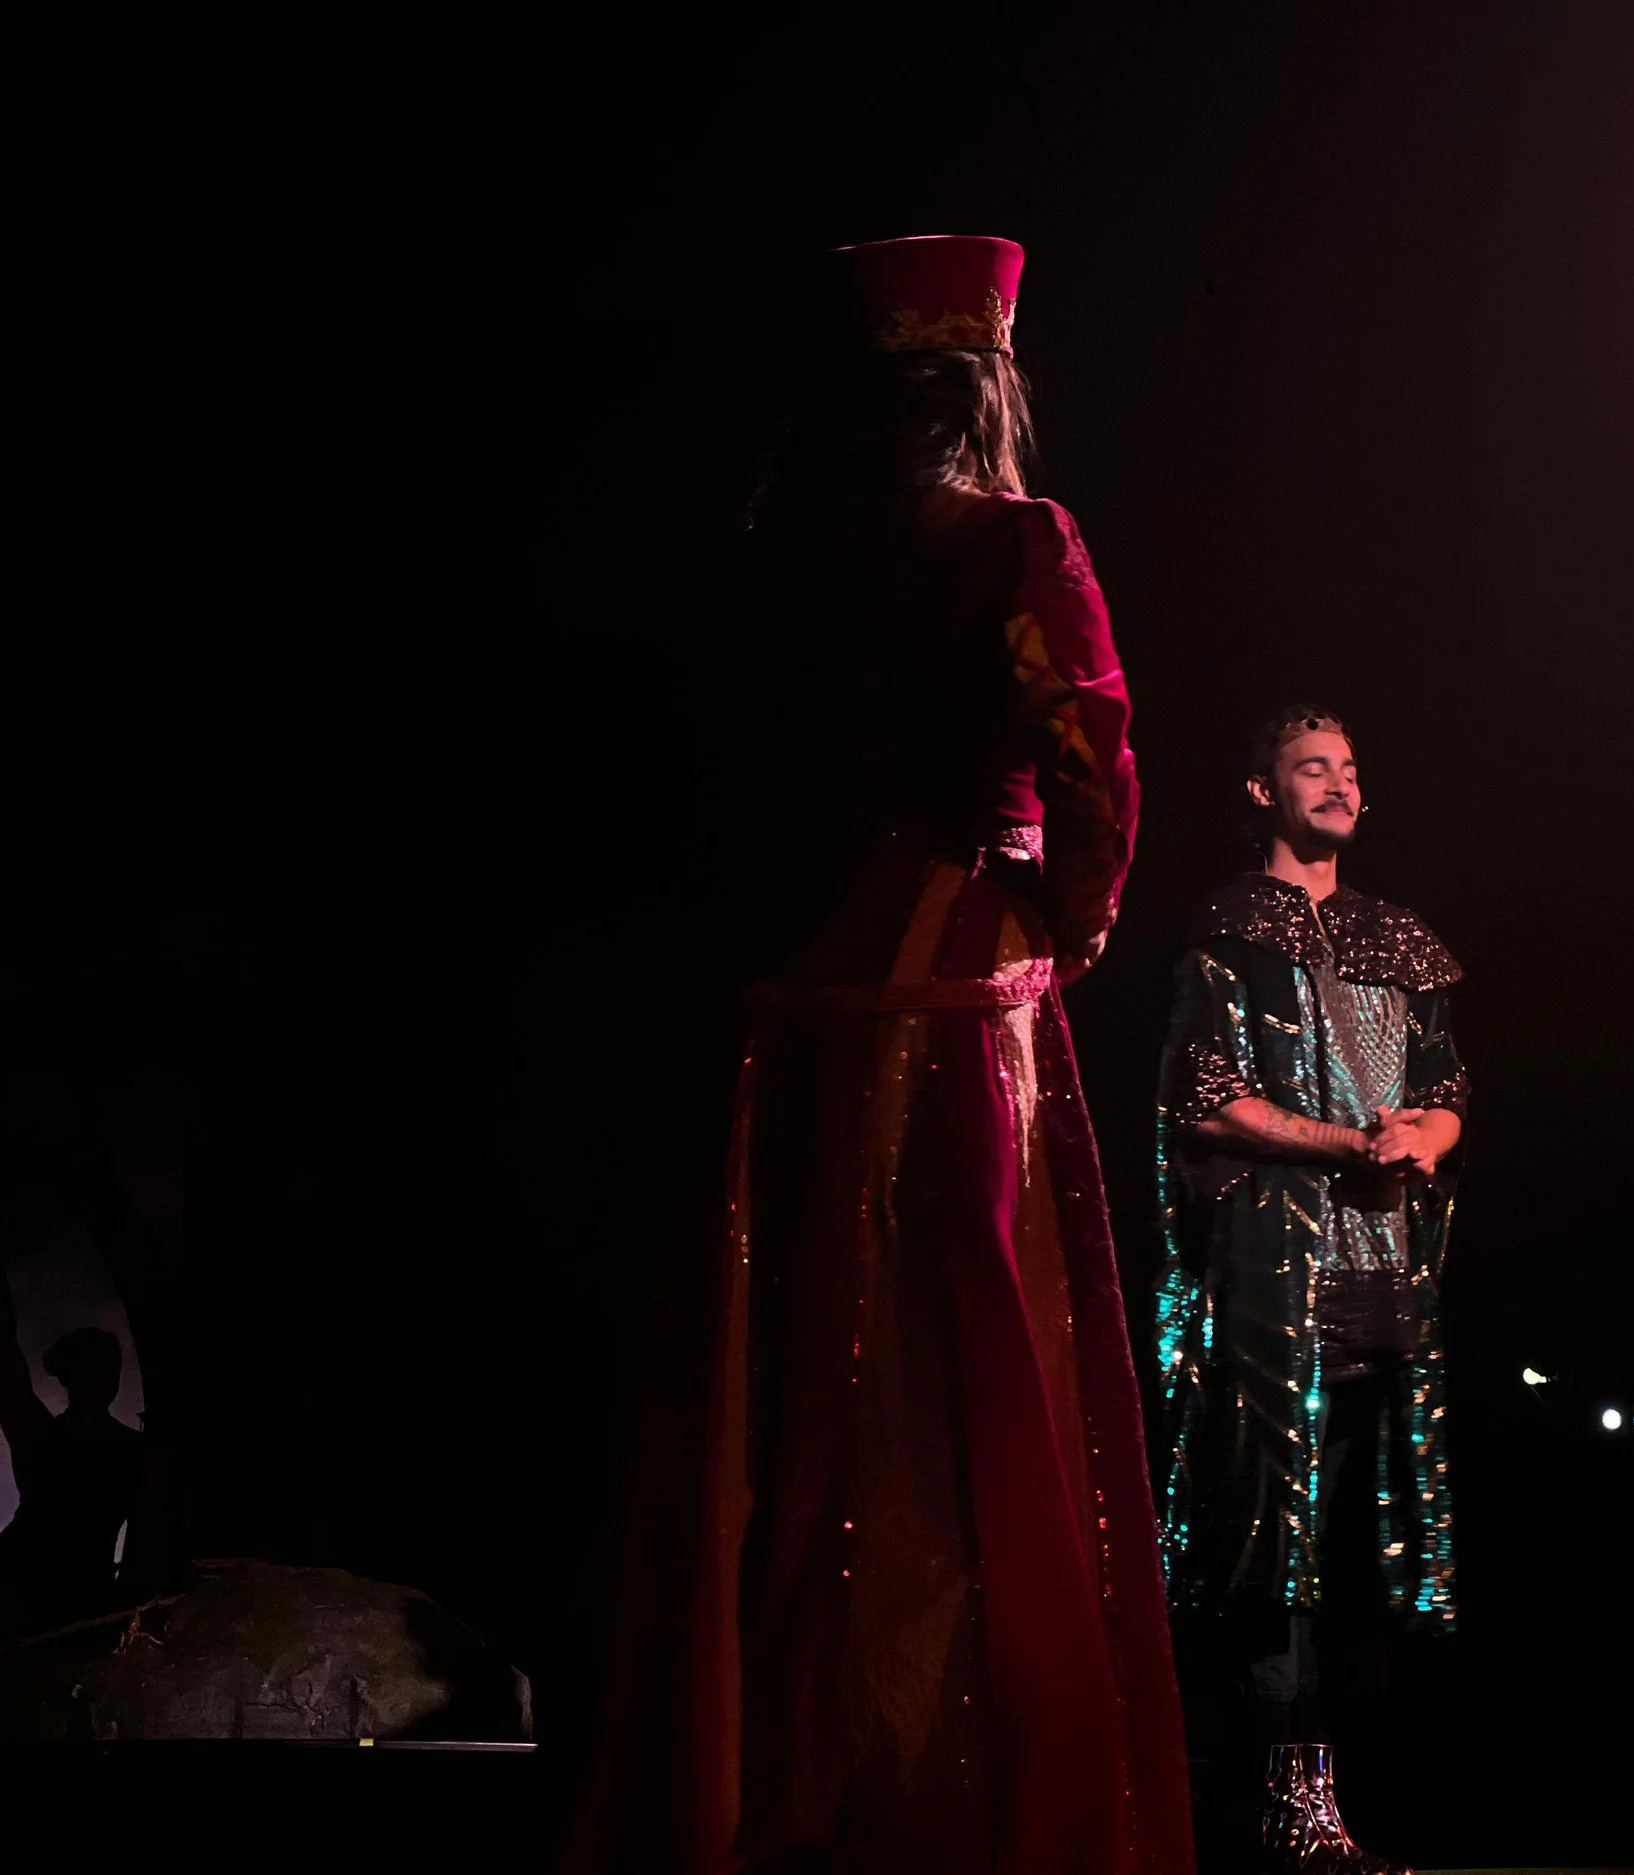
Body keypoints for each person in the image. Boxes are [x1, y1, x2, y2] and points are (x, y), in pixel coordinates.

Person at [572, 236, 1192, 1875]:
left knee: (793, 1386)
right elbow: (1096, 754)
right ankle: (960, 1779)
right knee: (958, 1370)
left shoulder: (780, 551)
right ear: (990, 386)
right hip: (953, 982)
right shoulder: (1013, 539)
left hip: (791, 990)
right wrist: (1069, 913)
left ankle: (776, 1772)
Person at [1152, 707, 1468, 1875]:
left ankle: (1341, 1802)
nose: (1336, 786)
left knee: (1365, 1552)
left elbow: (1444, 1089)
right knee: (1269, 1549)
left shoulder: (1405, 938)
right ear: (1260, 791)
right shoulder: (1230, 932)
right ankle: (1282, 1807)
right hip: (1282, 1284)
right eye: (1309, 768)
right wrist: (1345, 1144)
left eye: (1347, 770)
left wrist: (1417, 1137)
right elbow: (1208, 1097)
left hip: (1391, 1282)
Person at [0, 1278, 143, 1638]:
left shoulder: (44, 1438)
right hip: (73, 1601)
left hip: (33, 1598)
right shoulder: (132, 1452)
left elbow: (7, 1368)